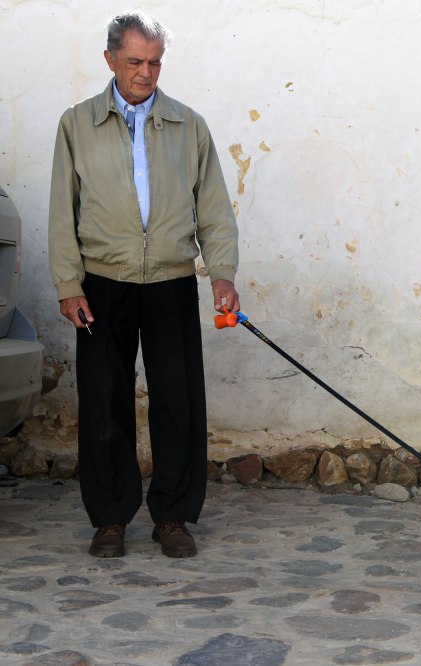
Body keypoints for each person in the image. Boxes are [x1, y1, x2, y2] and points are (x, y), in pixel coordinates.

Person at [48, 10, 239, 559]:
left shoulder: (188, 125)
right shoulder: (77, 124)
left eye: (155, 62)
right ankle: (109, 520)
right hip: (101, 285)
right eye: (134, 61)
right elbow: (64, 209)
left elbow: (215, 210)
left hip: (171, 283)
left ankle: (174, 515)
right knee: (105, 403)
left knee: (178, 401)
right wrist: (68, 284)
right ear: (109, 59)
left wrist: (222, 274)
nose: (146, 73)